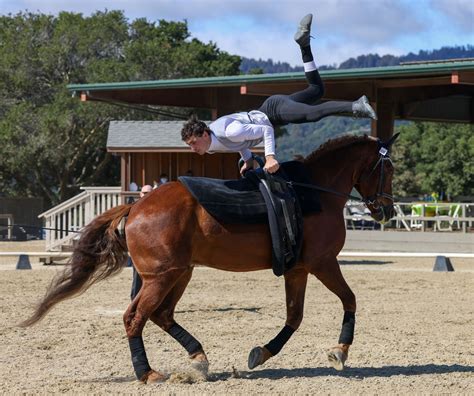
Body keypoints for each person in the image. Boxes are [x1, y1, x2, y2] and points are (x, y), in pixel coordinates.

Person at [181, 14, 377, 175]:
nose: (192, 148)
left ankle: (356, 106)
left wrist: (270, 157)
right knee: (317, 90)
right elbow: (238, 144)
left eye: (193, 143)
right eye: (190, 145)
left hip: (273, 112)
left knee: (312, 114)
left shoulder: (229, 132)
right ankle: (304, 45)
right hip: (271, 111)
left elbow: (264, 131)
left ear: (204, 134)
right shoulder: (212, 145)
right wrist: (248, 160)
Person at [130, 184, 152, 300]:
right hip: (138, 248)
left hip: (153, 249)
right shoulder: (134, 208)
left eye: (149, 193)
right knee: (137, 276)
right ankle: (134, 300)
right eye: (144, 193)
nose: (146, 195)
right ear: (140, 194)